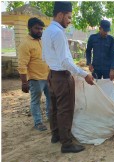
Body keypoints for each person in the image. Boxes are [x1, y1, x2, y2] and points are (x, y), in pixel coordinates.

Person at [42, 1, 95, 153]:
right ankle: (67, 144)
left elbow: (44, 56)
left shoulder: (47, 31)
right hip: (62, 77)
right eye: (69, 17)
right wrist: (84, 74)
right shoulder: (58, 33)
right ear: (60, 15)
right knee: (65, 110)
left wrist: (53, 68)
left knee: (54, 108)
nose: (70, 21)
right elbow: (65, 61)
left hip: (51, 75)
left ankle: (56, 135)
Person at [17, 17, 50, 131]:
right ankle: (38, 122)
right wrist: (24, 82)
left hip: (48, 76)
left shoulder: (42, 40)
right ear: (29, 28)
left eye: (41, 29)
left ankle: (50, 117)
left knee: (51, 99)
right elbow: (22, 65)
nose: (40, 31)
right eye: (37, 28)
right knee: (36, 101)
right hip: (35, 79)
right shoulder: (25, 44)